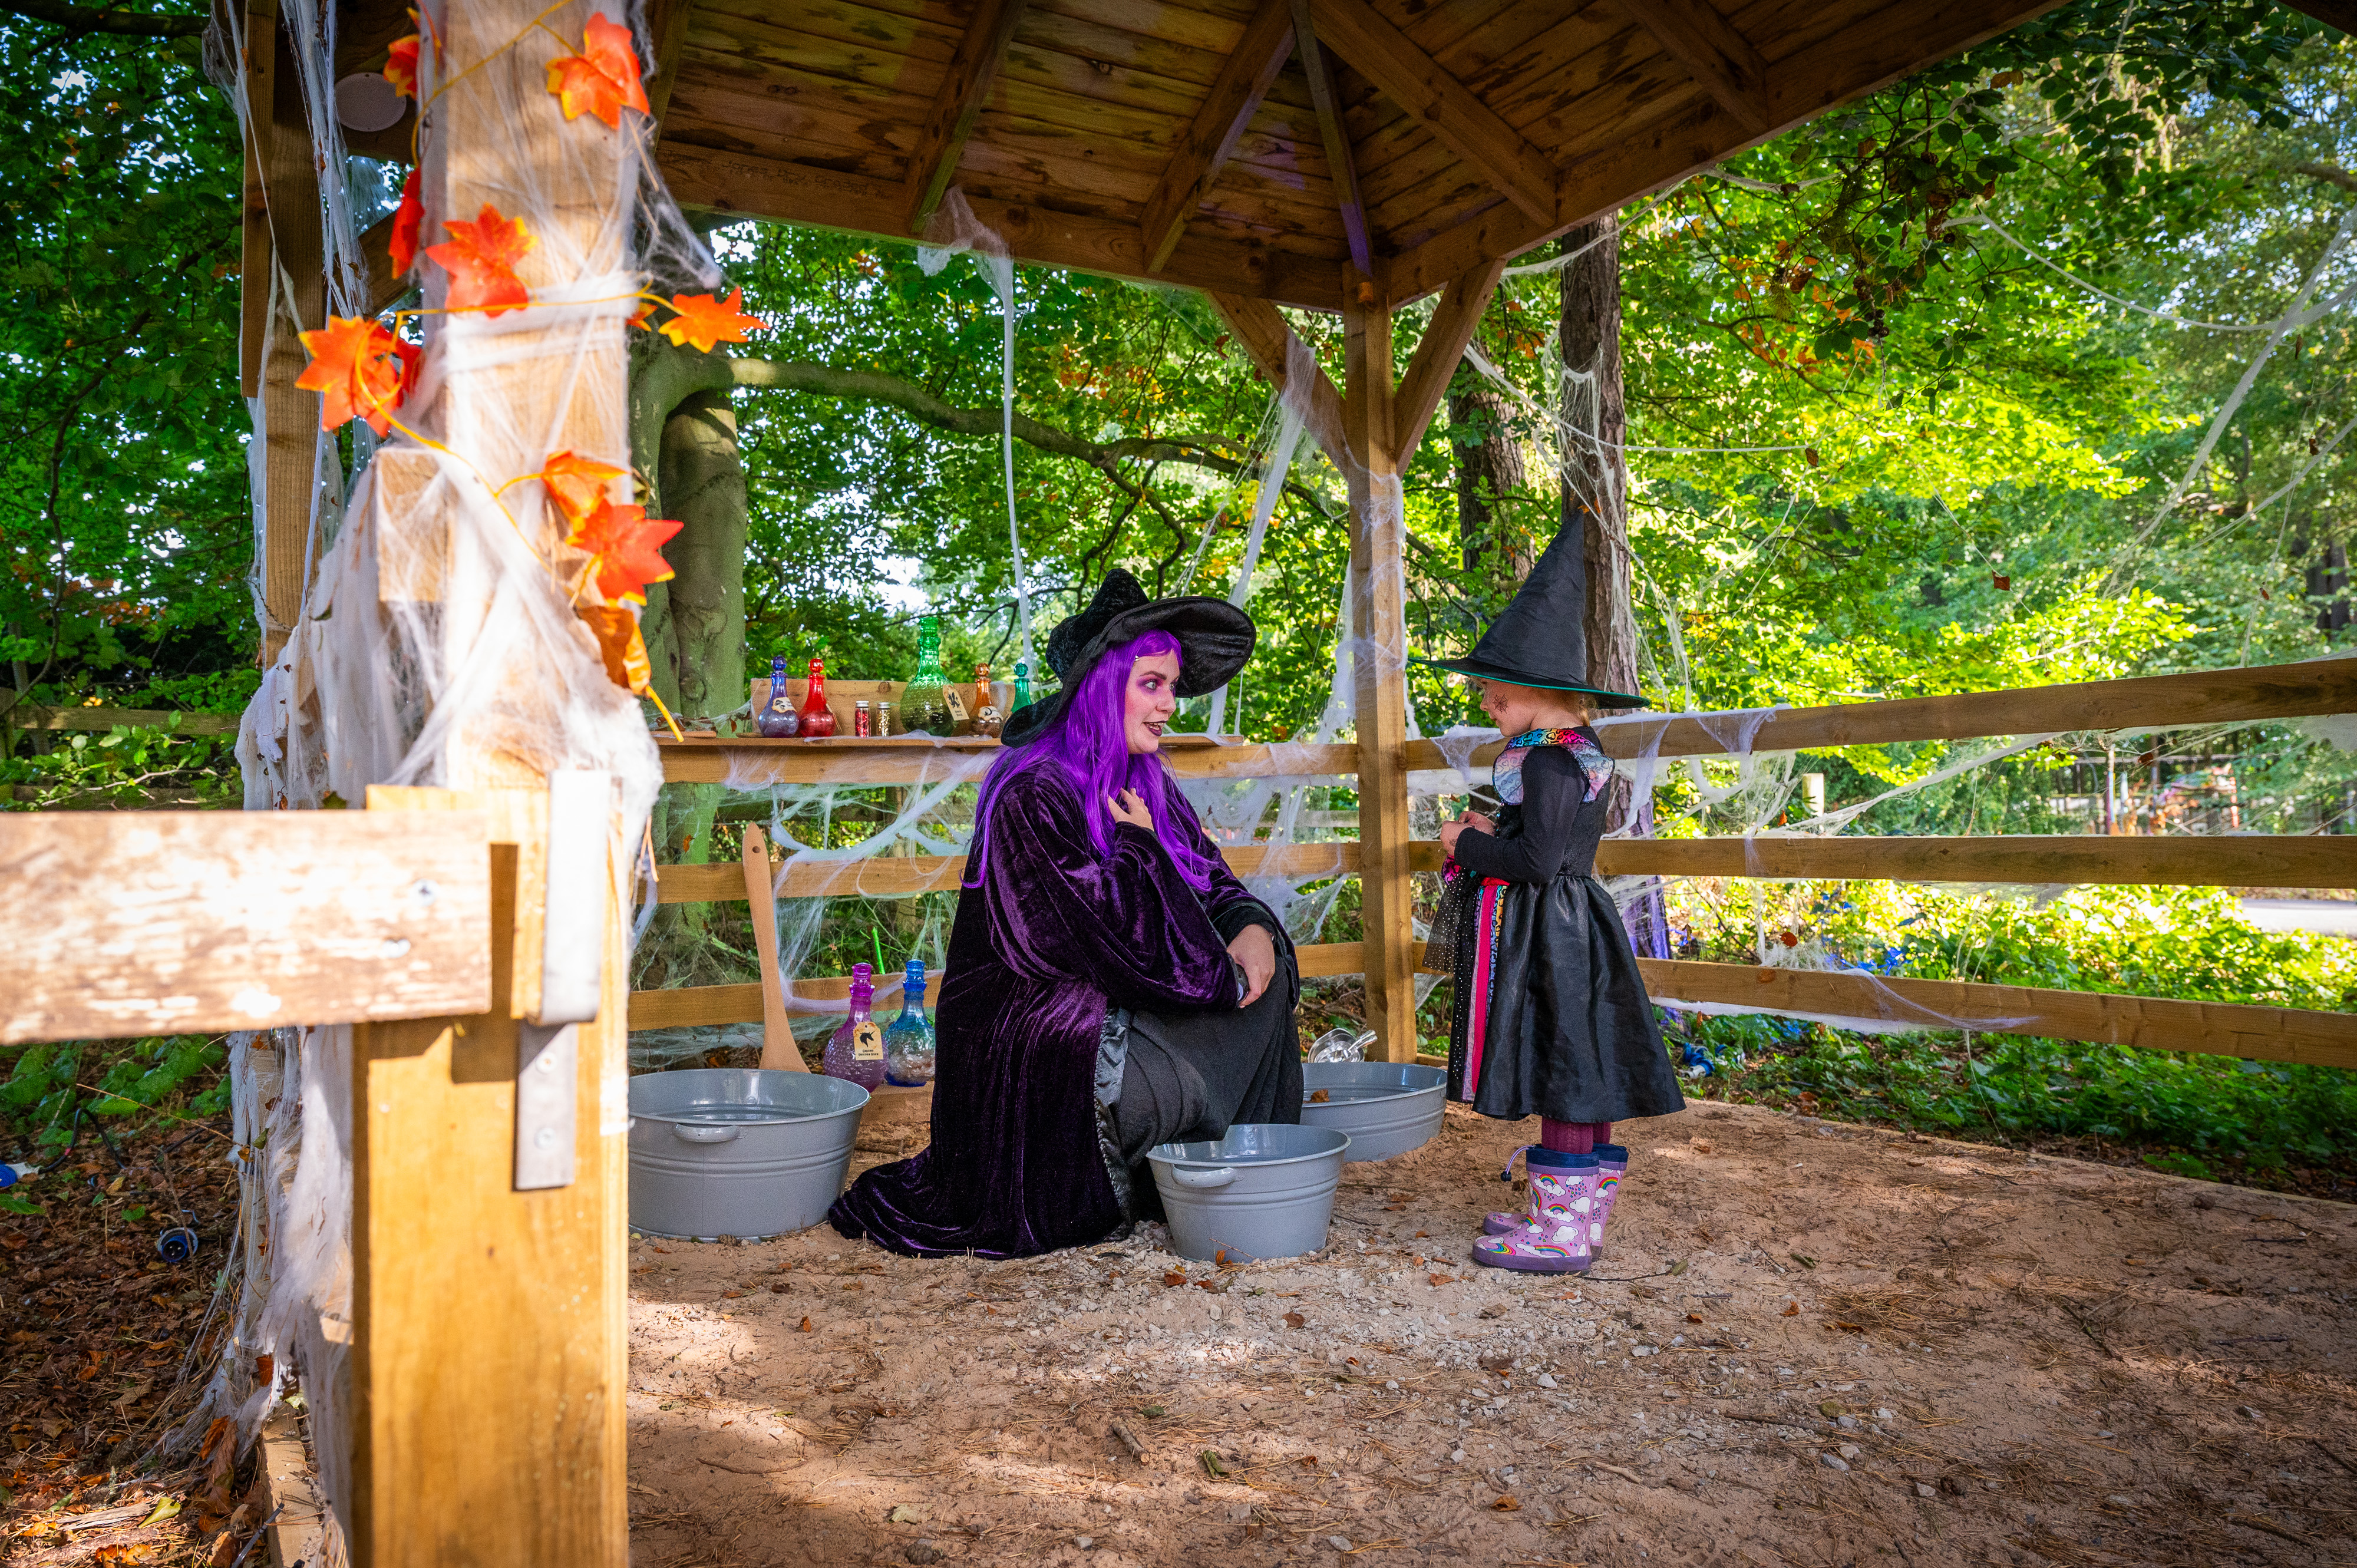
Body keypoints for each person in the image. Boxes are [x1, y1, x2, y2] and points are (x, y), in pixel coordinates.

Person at [828, 570, 1300, 1257]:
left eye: (1172, 686)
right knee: (1214, 1017)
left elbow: (1210, 882)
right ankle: (1147, 1156)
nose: (1169, 704)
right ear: (1104, 685)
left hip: (1130, 997)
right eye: (1151, 684)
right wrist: (1141, 855)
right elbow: (1114, 944)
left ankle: (1206, 1162)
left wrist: (1251, 931)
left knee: (1272, 973)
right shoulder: (1033, 789)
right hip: (1037, 1035)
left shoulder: (1146, 779)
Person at [1420, 527, 1684, 1274]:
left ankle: (1560, 1233)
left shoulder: (1545, 763)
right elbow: (1550, 842)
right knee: (1579, 1058)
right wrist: (1490, 826)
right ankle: (1572, 1218)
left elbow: (1535, 862)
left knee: (1565, 1063)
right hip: (1575, 922)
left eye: (1494, 690)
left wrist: (1462, 843)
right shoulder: (1575, 755)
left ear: (1536, 692)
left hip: (1549, 928)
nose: (1485, 699)